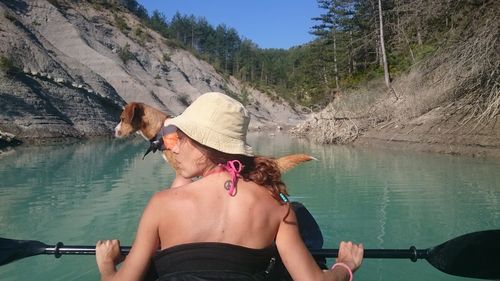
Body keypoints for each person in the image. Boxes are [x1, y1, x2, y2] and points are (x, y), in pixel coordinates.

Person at [96, 92, 364, 281]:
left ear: (204, 146)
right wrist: (346, 265)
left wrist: (107, 264)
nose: (173, 148)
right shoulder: (276, 207)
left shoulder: (161, 205)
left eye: (179, 139)